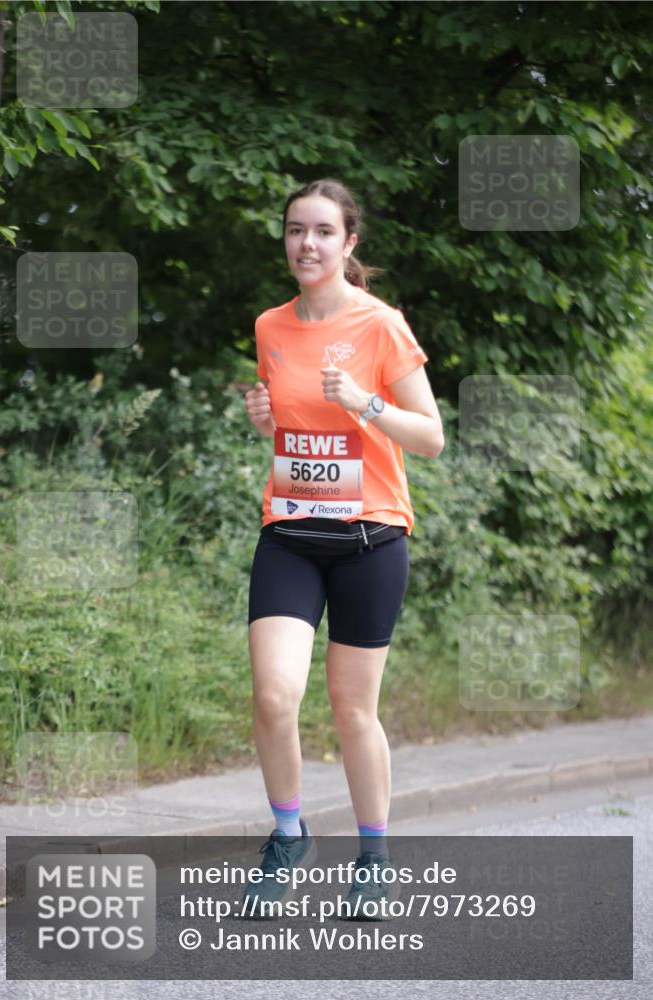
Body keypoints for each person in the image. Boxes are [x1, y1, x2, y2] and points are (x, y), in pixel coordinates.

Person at [242, 178, 444, 919]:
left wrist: (364, 401)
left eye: (323, 231)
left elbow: (430, 437)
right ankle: (288, 837)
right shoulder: (270, 325)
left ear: (348, 242)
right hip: (290, 535)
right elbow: (286, 431)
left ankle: (373, 858)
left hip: (369, 537)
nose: (307, 244)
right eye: (296, 230)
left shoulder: (380, 325)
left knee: (352, 708)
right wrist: (263, 420)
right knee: (273, 695)